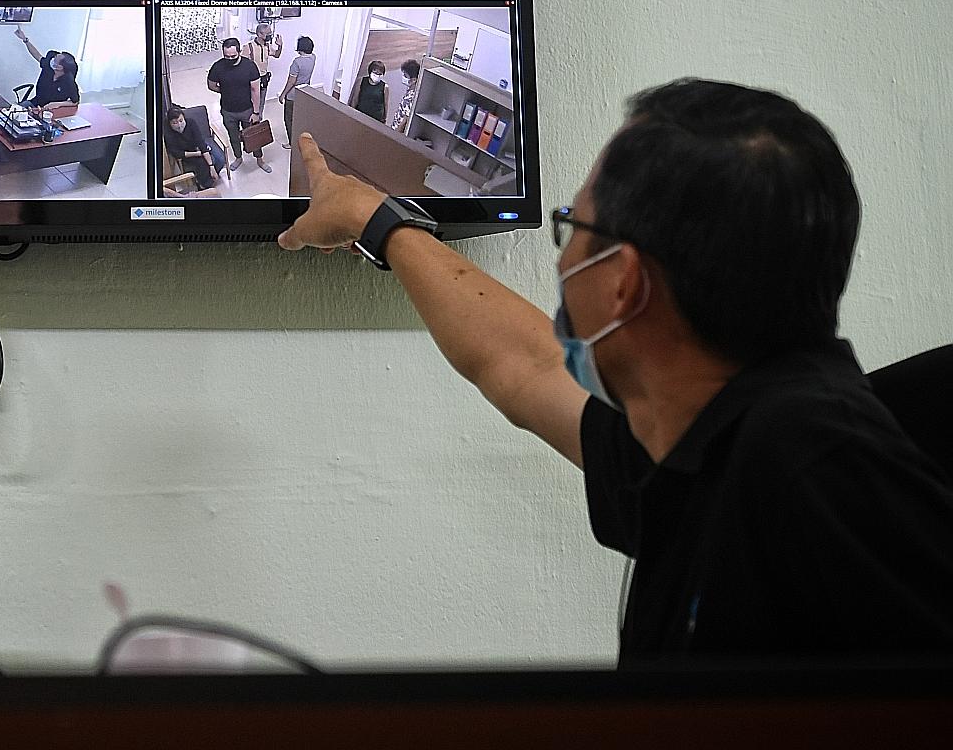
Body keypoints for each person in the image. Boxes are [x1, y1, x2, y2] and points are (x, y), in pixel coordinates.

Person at [278, 77, 953, 664]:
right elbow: (522, 363)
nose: (565, 261)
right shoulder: (701, 444)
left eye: (573, 229)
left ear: (624, 281)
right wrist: (376, 219)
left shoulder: (813, 467)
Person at [207, 37, 271, 174]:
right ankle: (238, 158)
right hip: (228, 111)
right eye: (226, 56)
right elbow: (211, 85)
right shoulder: (218, 66)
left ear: (240, 51)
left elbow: (255, 90)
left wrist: (256, 112)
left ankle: (259, 159)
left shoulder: (249, 66)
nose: (229, 59)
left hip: (247, 110)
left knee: (254, 136)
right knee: (233, 136)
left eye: (233, 56)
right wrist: (224, 90)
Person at [12, 25, 80, 108]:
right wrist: (25, 39)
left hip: (52, 111)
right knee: (15, 111)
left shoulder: (68, 80)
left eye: (55, 59)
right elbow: (36, 55)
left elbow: (75, 101)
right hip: (35, 104)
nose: (52, 59)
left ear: (59, 67)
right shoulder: (48, 66)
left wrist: (57, 104)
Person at [161, 105, 225, 190]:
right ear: (170, 123)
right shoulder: (168, 133)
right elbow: (177, 153)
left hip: (197, 146)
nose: (179, 125)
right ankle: (204, 185)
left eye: (181, 121)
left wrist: (211, 167)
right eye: (175, 123)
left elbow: (201, 143)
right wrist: (197, 153)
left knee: (220, 159)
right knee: (204, 162)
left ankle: (211, 175)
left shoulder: (191, 123)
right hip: (187, 154)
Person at [278, 36, 317, 149]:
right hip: (305, 93)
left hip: (293, 95)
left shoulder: (297, 62)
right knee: (299, 118)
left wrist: (283, 94)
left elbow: (291, 81)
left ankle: (292, 143)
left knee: (288, 119)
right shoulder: (313, 58)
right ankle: (302, 138)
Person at [247, 20, 284, 108]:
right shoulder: (249, 47)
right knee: (250, 104)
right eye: (268, 33)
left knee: (261, 104)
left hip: (263, 79)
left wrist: (280, 46)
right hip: (251, 80)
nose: (270, 36)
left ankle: (259, 120)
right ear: (260, 34)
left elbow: (277, 55)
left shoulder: (267, 46)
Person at [390, 58, 422, 134]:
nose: (403, 77)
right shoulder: (410, 90)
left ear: (413, 80)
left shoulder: (412, 97)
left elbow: (405, 120)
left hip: (398, 132)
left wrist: (395, 134)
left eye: (405, 75)